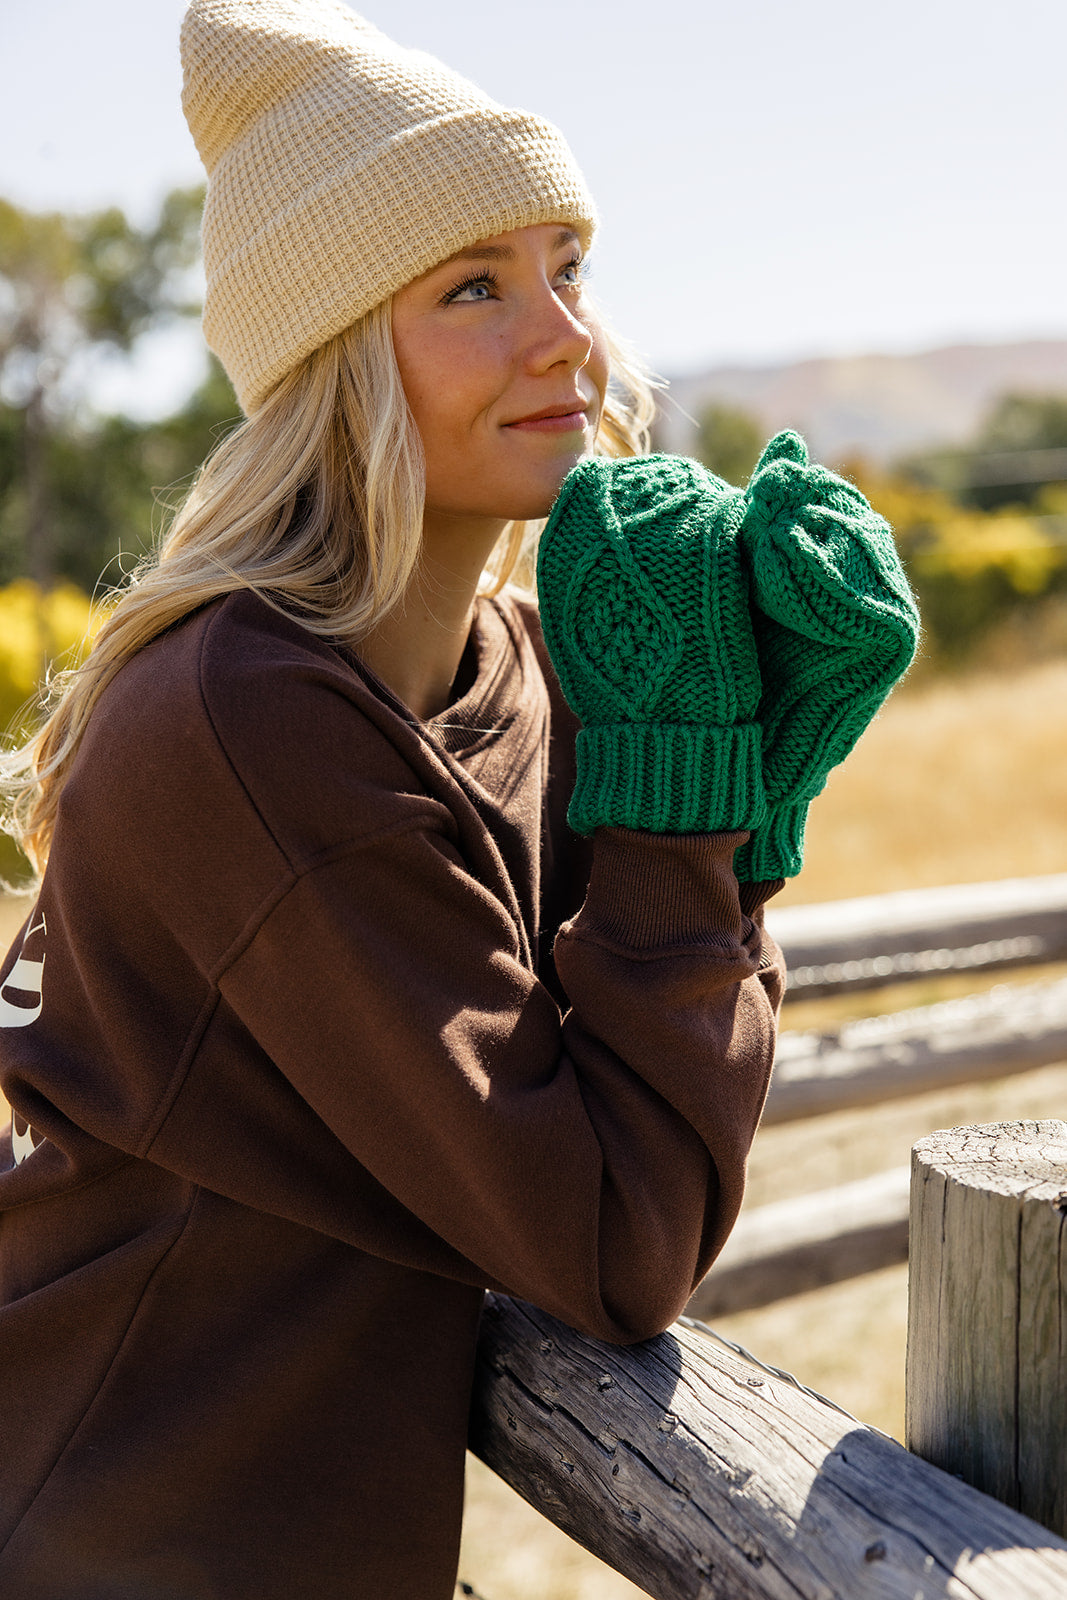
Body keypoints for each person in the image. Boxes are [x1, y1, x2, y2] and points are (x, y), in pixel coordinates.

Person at [0, 2, 918, 1596]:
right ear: (337, 356)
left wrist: (757, 788)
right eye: (474, 288)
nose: (565, 332)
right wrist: (691, 778)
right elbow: (619, 1243)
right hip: (111, 1528)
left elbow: (633, 1102)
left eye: (566, 264)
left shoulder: (519, 661)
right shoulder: (249, 718)